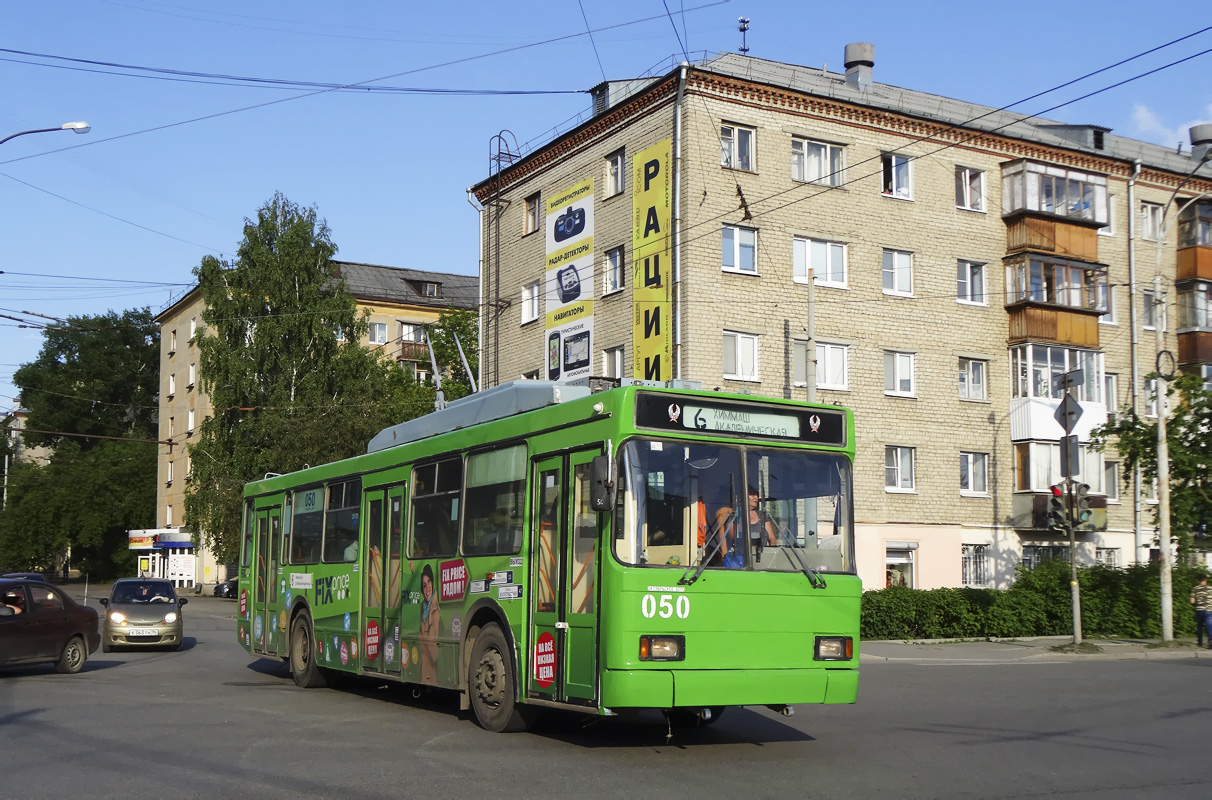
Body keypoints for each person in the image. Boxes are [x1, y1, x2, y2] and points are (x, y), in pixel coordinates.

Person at [712, 485, 777, 568]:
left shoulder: (762, 515)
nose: (756, 498)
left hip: (762, 559)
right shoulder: (734, 516)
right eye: (752, 494)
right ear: (742, 496)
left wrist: (771, 553)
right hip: (740, 560)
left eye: (757, 495)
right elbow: (735, 538)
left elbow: (772, 538)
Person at [418, 564, 441, 685]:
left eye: (429, 582)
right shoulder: (423, 607)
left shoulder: (435, 607)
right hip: (424, 663)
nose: (427, 589)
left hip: (432, 665)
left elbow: (435, 650)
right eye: (424, 585)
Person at [1191, 575, 1212, 648]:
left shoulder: (1196, 589)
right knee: (1209, 625)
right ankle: (1211, 640)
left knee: (1199, 626)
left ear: (1199, 580)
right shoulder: (1210, 588)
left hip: (1200, 610)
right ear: (1206, 580)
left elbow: (1192, 601)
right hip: (1209, 610)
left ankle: (1200, 642)